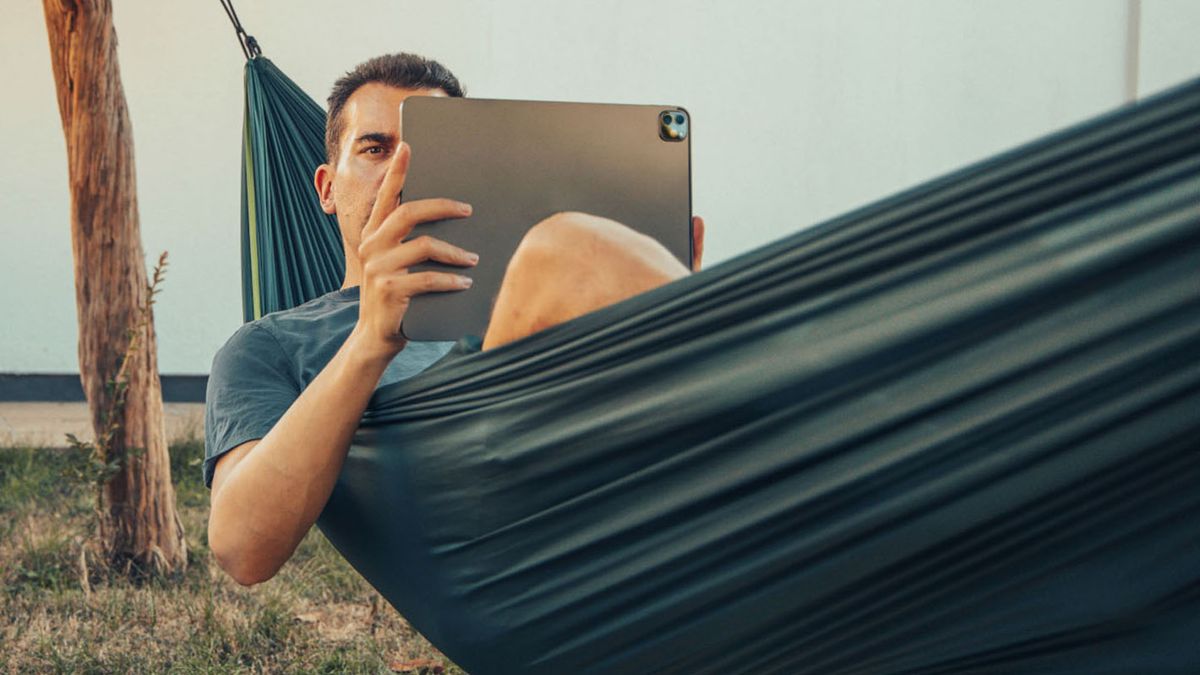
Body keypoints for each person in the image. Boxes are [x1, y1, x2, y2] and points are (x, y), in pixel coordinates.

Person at [204, 53, 705, 586]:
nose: (404, 170)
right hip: (526, 568)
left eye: (430, 152)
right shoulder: (272, 347)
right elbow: (242, 551)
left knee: (577, 254)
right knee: (569, 245)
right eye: (376, 149)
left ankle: (683, 317)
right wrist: (371, 337)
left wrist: (638, 300)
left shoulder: (534, 285)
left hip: (651, 520)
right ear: (327, 189)